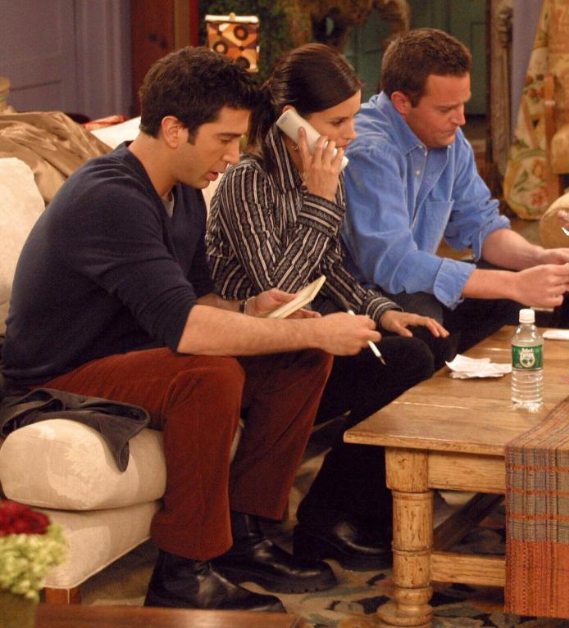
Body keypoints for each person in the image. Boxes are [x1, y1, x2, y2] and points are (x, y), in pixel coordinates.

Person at [0, 47, 383, 612]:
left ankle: (244, 533)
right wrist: (317, 330)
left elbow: (199, 299)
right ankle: (183, 570)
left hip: (136, 355)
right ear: (174, 129)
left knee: (299, 360)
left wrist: (250, 308)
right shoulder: (110, 197)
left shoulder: (182, 193)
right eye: (224, 140)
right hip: (56, 380)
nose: (233, 157)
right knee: (209, 375)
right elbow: (186, 330)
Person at [207, 44, 448, 572]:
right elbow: (281, 292)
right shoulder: (249, 181)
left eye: (354, 119)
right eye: (337, 122)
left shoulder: (322, 171)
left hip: (305, 339)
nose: (351, 134)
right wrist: (319, 199)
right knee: (405, 363)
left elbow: (331, 269)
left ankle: (355, 510)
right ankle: (327, 517)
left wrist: (382, 311)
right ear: (291, 118)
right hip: (259, 349)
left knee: (421, 340)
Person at [342, 28, 569, 361]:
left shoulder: (449, 139)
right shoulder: (370, 150)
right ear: (401, 102)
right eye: (446, 109)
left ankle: (484, 384)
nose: (460, 120)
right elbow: (394, 265)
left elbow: (482, 225)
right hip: (363, 295)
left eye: (463, 104)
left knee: (510, 296)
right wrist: (514, 284)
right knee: (430, 323)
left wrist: (538, 258)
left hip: (411, 283)